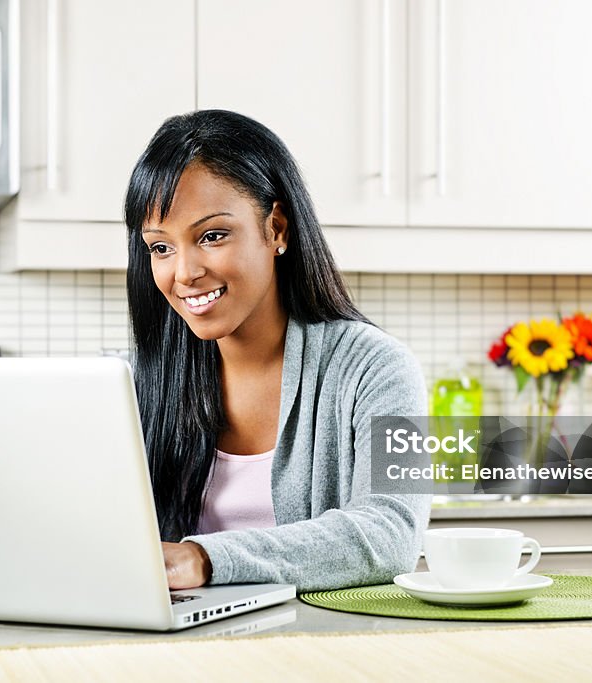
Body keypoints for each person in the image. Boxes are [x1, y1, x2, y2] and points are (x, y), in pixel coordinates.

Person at [123, 109, 431, 592]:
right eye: (160, 248)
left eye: (212, 236)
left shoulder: (380, 369)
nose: (184, 273)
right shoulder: (137, 380)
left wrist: (206, 559)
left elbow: (392, 533)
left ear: (277, 229)